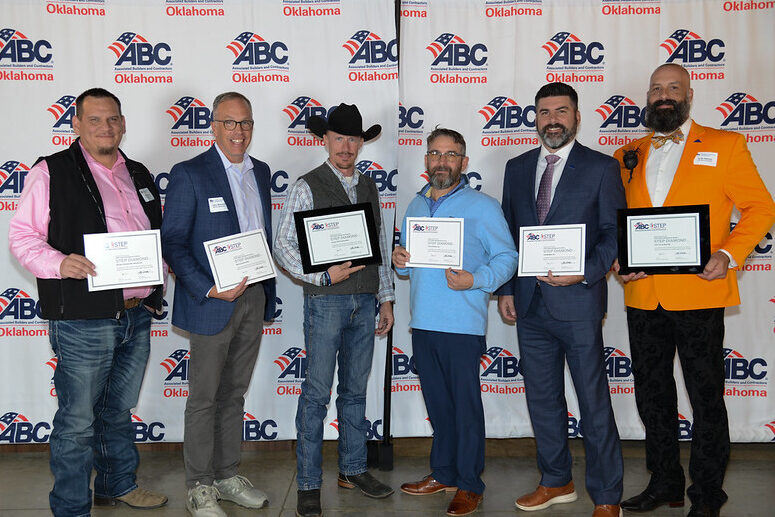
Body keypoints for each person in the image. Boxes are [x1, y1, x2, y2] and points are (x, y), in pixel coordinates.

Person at [613, 64, 775, 517]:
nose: (663, 95)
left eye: (673, 88)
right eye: (656, 89)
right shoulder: (626, 154)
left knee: (706, 398)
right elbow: (615, 220)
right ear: (648, 97)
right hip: (643, 295)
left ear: (689, 95)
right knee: (652, 397)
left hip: (700, 294)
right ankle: (664, 481)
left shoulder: (725, 145)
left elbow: (761, 207)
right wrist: (617, 259)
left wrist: (728, 253)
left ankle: (706, 494)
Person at [8, 87, 168, 517]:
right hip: (82, 320)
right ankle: (71, 508)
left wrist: (161, 268)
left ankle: (117, 485)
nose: (105, 127)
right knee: (77, 422)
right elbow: (22, 237)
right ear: (76, 124)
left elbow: (153, 235)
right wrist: (59, 263)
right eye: (94, 119)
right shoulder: (51, 171)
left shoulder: (138, 173)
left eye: (112, 118)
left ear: (123, 123)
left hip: (135, 315)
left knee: (117, 410)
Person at [496, 82, 625, 517]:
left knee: (593, 401)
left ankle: (606, 495)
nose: (552, 120)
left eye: (561, 111)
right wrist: (506, 289)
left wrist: (585, 271)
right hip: (530, 304)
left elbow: (613, 234)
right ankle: (556, 480)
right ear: (535, 118)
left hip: (579, 303)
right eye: (545, 112)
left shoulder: (602, 168)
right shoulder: (516, 168)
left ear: (577, 117)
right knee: (542, 400)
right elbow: (508, 235)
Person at [273, 103, 395, 517]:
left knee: (355, 392)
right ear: (324, 140)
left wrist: (386, 297)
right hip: (326, 301)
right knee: (316, 394)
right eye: (339, 138)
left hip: (365, 299)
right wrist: (323, 276)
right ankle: (308, 483)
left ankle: (353, 469)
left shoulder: (369, 186)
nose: (346, 146)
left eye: (353, 139)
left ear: (361, 142)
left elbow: (379, 243)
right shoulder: (307, 185)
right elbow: (283, 245)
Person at [161, 92, 276, 517]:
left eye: (245, 123)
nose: (238, 131)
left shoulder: (260, 171)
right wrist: (209, 289)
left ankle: (227, 475)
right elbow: (173, 242)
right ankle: (199, 486)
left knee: (234, 394)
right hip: (212, 301)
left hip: (253, 295)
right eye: (229, 122)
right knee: (204, 398)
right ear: (213, 126)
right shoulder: (190, 173)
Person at [393, 128, 518, 517]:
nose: (441, 161)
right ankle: (444, 472)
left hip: (462, 325)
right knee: (439, 406)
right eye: (435, 153)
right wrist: (400, 259)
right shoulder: (415, 205)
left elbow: (508, 257)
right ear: (426, 160)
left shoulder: (483, 206)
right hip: (423, 322)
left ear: (463, 162)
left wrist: (475, 279)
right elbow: (410, 265)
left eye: (450, 155)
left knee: (465, 409)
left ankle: (469, 484)